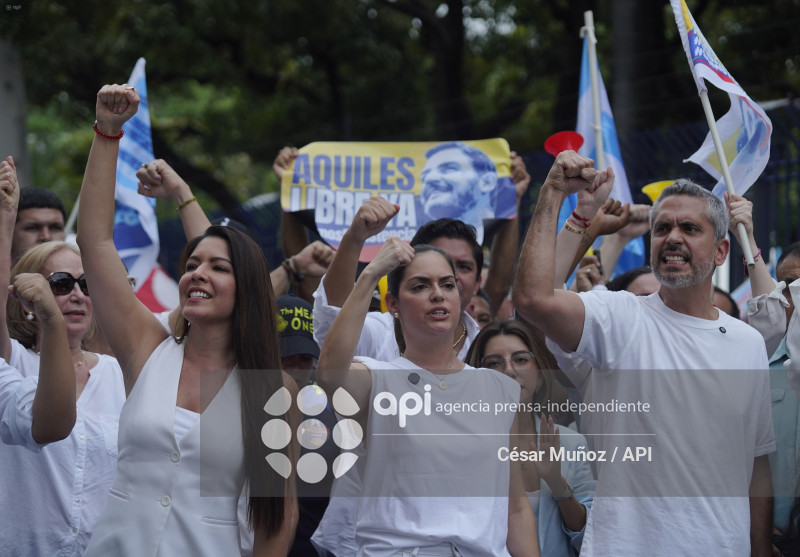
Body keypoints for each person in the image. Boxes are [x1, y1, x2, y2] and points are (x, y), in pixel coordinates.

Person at [513, 151, 774, 556]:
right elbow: (533, 298)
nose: (673, 237)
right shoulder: (619, 316)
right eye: (663, 228)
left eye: (690, 228)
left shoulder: (747, 343)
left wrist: (758, 549)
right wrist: (557, 198)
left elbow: (756, 465)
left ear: (721, 251)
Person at [77, 84, 297, 556]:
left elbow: (277, 519)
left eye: (219, 268)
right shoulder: (147, 348)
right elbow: (95, 242)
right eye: (193, 265)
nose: (198, 273)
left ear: (250, 290)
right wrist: (108, 133)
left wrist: (183, 194)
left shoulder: (272, 388)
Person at [316, 238, 539, 556]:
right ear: (392, 304)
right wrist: (370, 274)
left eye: (447, 285)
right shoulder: (375, 378)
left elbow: (516, 508)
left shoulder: (501, 390)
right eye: (420, 286)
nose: (437, 294)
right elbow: (328, 373)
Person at [0, 155, 127, 555]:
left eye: (85, 284)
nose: (76, 294)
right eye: (60, 282)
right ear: (26, 299)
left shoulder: (121, 375)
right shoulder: (12, 365)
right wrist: (5, 219)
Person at [466, 319, 594, 557]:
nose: (508, 370)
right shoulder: (465, 446)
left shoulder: (572, 443)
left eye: (521, 359)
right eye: (494, 363)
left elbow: (589, 538)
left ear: (540, 374)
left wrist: (557, 484)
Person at [418, 141, 504, 244]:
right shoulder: (419, 250)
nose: (429, 179)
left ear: (487, 182)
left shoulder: (499, 235)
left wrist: (515, 196)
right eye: (424, 177)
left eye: (448, 169)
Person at [11, 184, 67, 263]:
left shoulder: (85, 273)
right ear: (10, 234)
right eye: (33, 228)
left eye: (55, 228)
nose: (46, 237)